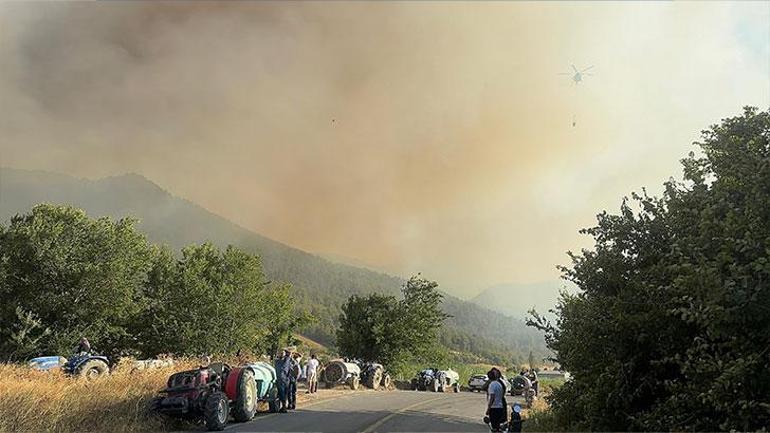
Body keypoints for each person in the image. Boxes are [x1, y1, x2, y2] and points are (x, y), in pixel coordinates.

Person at [486, 368, 507, 432]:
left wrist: (488, 408)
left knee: (493, 427)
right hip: (500, 407)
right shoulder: (499, 384)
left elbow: (492, 397)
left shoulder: (492, 385)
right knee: (498, 426)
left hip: (494, 408)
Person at [274, 348, 293, 413]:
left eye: (283, 353)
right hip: (284, 379)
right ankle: (284, 406)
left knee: (283, 393)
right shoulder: (281, 361)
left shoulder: (284, 361)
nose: (281, 354)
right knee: (283, 393)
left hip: (283, 379)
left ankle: (284, 407)